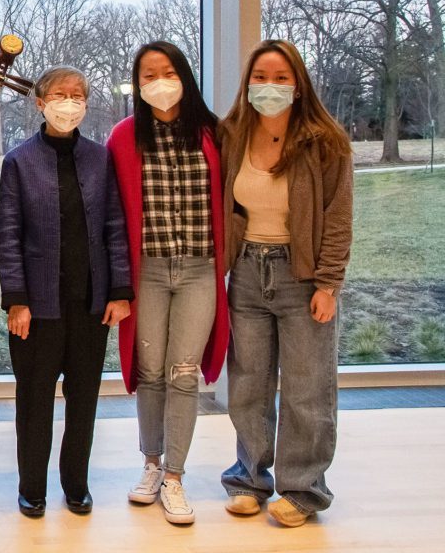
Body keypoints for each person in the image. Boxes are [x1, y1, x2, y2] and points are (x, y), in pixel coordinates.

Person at [219, 39, 352, 528]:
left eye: (280, 78)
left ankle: (303, 489)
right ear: (247, 83)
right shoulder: (232, 133)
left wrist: (329, 283)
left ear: (298, 85)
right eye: (260, 77)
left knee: (307, 389)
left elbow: (338, 217)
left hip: (303, 277)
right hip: (248, 273)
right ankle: (249, 478)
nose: (269, 87)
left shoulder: (324, 140)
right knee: (249, 384)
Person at [0, 66, 132, 518]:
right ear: (40, 102)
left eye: (78, 95)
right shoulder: (19, 161)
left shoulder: (101, 158)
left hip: (91, 304)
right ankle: (31, 488)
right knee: (34, 400)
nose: (69, 102)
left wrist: (120, 289)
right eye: (60, 94)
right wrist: (16, 299)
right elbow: (8, 234)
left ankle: (76, 484)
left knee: (84, 399)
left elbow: (115, 225)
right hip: (37, 306)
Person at [107, 41, 229, 525]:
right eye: (147, 75)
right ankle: (151, 465)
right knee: (151, 372)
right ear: (138, 85)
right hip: (149, 272)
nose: (158, 81)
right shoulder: (123, 136)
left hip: (200, 269)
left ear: (184, 75)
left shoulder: (214, 132)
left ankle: (175, 476)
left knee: (183, 372)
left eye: (167, 71)